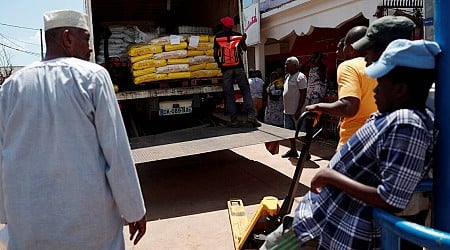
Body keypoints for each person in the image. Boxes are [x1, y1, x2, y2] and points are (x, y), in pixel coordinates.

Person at [260, 39, 440, 250]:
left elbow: (391, 197)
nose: (374, 91)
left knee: (274, 247)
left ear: (400, 90)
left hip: (328, 224)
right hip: (321, 217)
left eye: (380, 84)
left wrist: (331, 176)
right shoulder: (392, 116)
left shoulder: (407, 124)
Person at [0, 10, 146, 249]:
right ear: (68, 38)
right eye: (86, 39)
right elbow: (117, 153)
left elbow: (2, 157)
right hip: (89, 228)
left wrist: (7, 216)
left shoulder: (11, 87)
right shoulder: (93, 77)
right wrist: (134, 210)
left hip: (29, 228)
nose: (90, 49)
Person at [352, 15, 427, 250]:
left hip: (405, 208)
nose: (366, 57)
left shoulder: (410, 115)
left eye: (372, 50)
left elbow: (392, 196)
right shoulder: (392, 93)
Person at [306, 26, 378, 149]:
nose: (339, 51)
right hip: (380, 141)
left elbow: (349, 108)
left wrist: (318, 106)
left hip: (354, 144)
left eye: (343, 45)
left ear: (351, 49)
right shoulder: (384, 66)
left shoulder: (349, 66)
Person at [213, 16, 260, 127]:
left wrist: (221, 65)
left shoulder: (218, 37)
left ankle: (234, 120)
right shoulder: (238, 36)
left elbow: (215, 55)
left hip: (226, 70)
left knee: (229, 95)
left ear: (224, 26)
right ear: (232, 26)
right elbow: (244, 49)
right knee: (246, 91)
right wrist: (243, 40)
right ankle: (251, 117)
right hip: (238, 67)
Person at [281, 57, 307, 158]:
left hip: (297, 112)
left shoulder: (300, 77)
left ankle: (306, 152)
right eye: (285, 64)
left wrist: (298, 110)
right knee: (289, 133)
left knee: (301, 133)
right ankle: (293, 150)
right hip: (287, 111)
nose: (285, 66)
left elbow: (303, 94)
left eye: (287, 64)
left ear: (295, 66)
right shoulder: (287, 76)